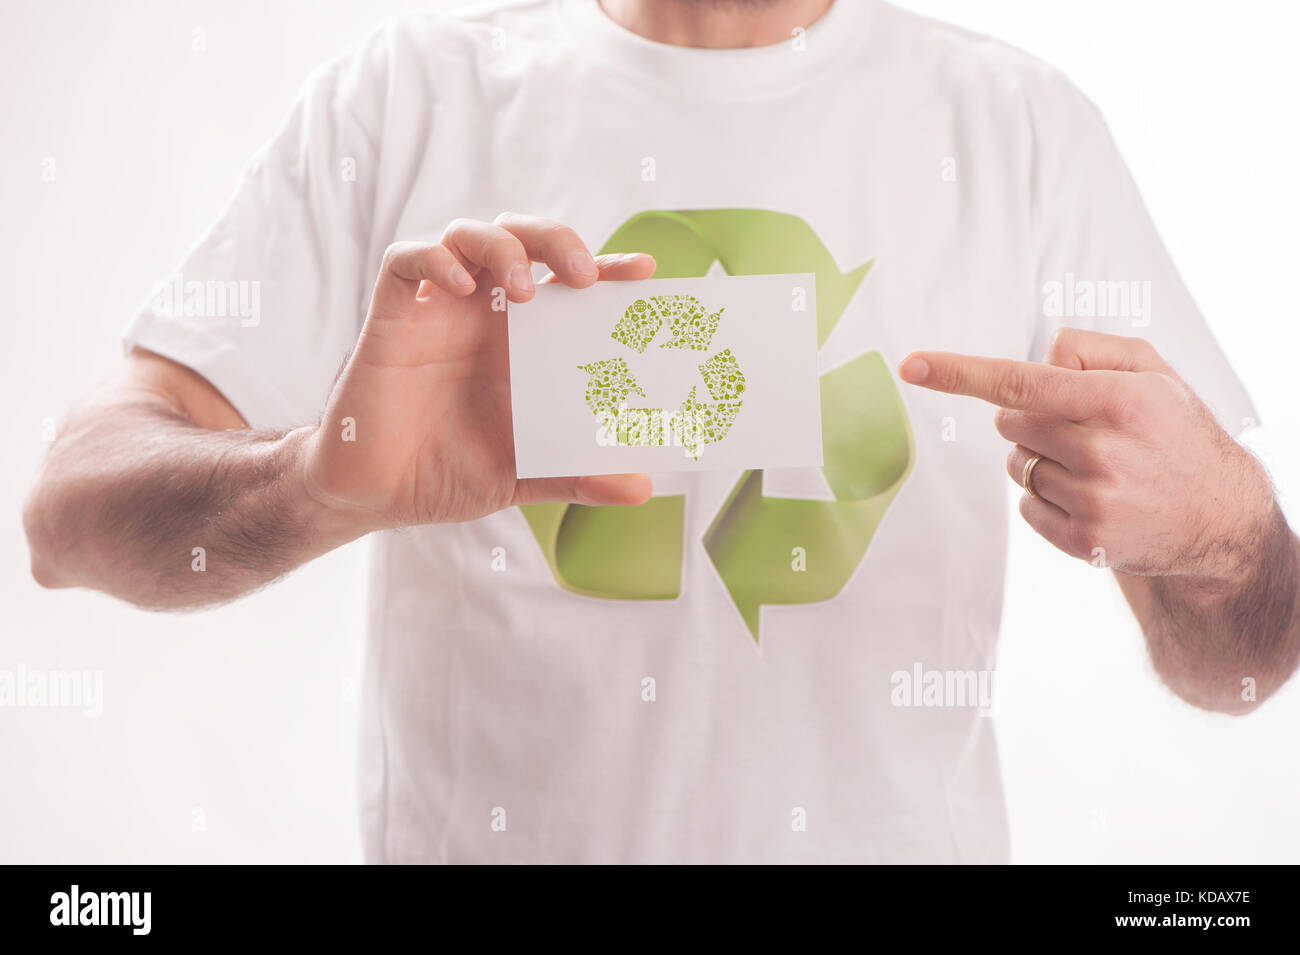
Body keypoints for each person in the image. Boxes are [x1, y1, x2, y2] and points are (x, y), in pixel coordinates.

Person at [21, 0, 1300, 863]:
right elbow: (67, 519)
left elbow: (1240, 664)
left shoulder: (1019, 128)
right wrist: (315, 483)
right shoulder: (404, 97)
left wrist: (1226, 535)